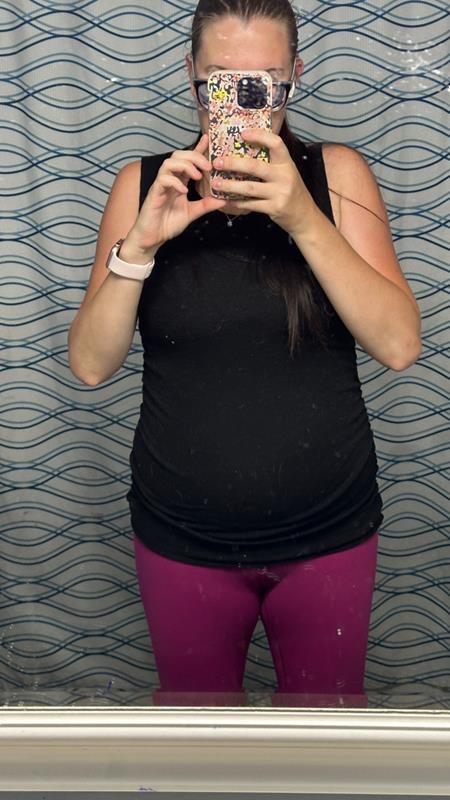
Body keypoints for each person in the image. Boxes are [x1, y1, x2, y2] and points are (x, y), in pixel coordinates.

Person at [68, 0, 421, 704]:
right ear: (191, 75)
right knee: (198, 742)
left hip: (329, 531)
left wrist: (302, 218)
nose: (243, 106)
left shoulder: (337, 175)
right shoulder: (142, 185)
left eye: (263, 86)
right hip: (181, 536)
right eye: (222, 83)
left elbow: (399, 345)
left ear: (295, 76)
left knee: (327, 736)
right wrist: (139, 246)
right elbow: (91, 364)